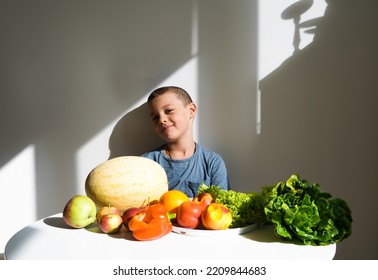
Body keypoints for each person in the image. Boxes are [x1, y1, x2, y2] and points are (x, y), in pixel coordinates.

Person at [142, 86, 230, 198]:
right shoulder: (147, 163)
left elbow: (222, 210)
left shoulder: (213, 163)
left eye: (169, 111)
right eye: (155, 117)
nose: (161, 119)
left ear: (191, 110)